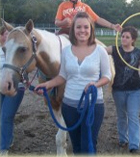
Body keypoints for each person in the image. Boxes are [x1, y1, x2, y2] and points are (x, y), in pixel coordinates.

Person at [35, 12, 112, 154]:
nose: (82, 31)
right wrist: (47, 85)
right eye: (78, 27)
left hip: (93, 106)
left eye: (85, 27)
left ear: (91, 29)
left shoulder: (100, 51)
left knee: (88, 145)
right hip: (69, 106)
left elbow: (107, 76)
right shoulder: (66, 51)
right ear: (73, 30)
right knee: (76, 147)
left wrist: (95, 84)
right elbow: (62, 76)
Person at [105, 26, 140, 153]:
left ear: (133, 40)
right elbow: (100, 50)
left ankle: (134, 145)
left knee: (133, 115)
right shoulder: (115, 49)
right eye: (122, 36)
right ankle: (122, 139)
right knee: (121, 116)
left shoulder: (138, 52)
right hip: (118, 90)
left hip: (135, 90)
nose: (124, 39)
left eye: (127, 37)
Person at [55, 0, 121, 34]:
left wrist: (112, 26)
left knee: (99, 47)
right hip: (65, 32)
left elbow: (97, 19)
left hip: (82, 33)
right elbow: (57, 22)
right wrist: (63, 22)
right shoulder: (62, 6)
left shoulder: (85, 7)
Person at [0, 26, 25, 155]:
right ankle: (8, 140)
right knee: (2, 116)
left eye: (8, 33)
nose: (7, 36)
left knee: (6, 116)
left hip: (15, 87)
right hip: (1, 87)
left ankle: (3, 148)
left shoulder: (14, 50)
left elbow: (23, 67)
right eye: (5, 34)